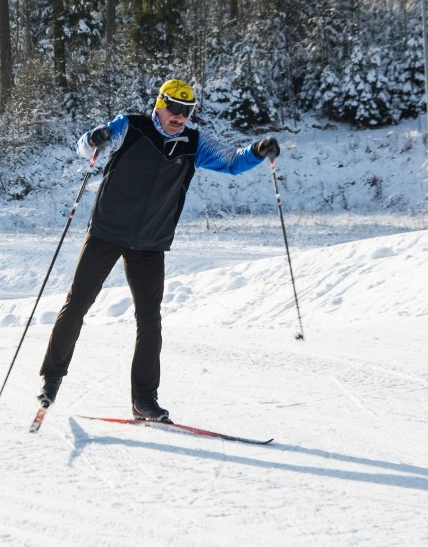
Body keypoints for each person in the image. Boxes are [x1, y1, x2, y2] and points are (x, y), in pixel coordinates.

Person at [37, 79, 280, 422]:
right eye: (175, 109)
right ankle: (53, 377)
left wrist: (257, 150)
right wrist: (94, 138)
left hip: (151, 243)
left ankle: (144, 400)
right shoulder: (130, 126)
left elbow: (232, 162)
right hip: (107, 231)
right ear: (160, 105)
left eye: (187, 111)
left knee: (150, 319)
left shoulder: (194, 143)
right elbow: (86, 147)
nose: (180, 117)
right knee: (78, 302)